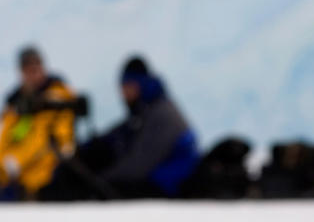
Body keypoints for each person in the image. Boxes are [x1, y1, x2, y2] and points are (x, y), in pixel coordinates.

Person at [40, 56, 200, 200]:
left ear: (141, 85)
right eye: (122, 88)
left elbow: (139, 165)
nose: (124, 94)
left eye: (128, 87)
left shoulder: (162, 115)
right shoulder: (144, 112)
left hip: (170, 186)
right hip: (157, 181)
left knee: (97, 191)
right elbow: (114, 137)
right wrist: (84, 153)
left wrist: (99, 180)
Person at [0, 46, 79, 202]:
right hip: (15, 183)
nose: (33, 75)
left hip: (45, 182)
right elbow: (5, 143)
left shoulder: (56, 100)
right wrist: (0, 170)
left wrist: (14, 163)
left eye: (36, 69)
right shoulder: (17, 107)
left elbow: (52, 141)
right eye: (28, 71)